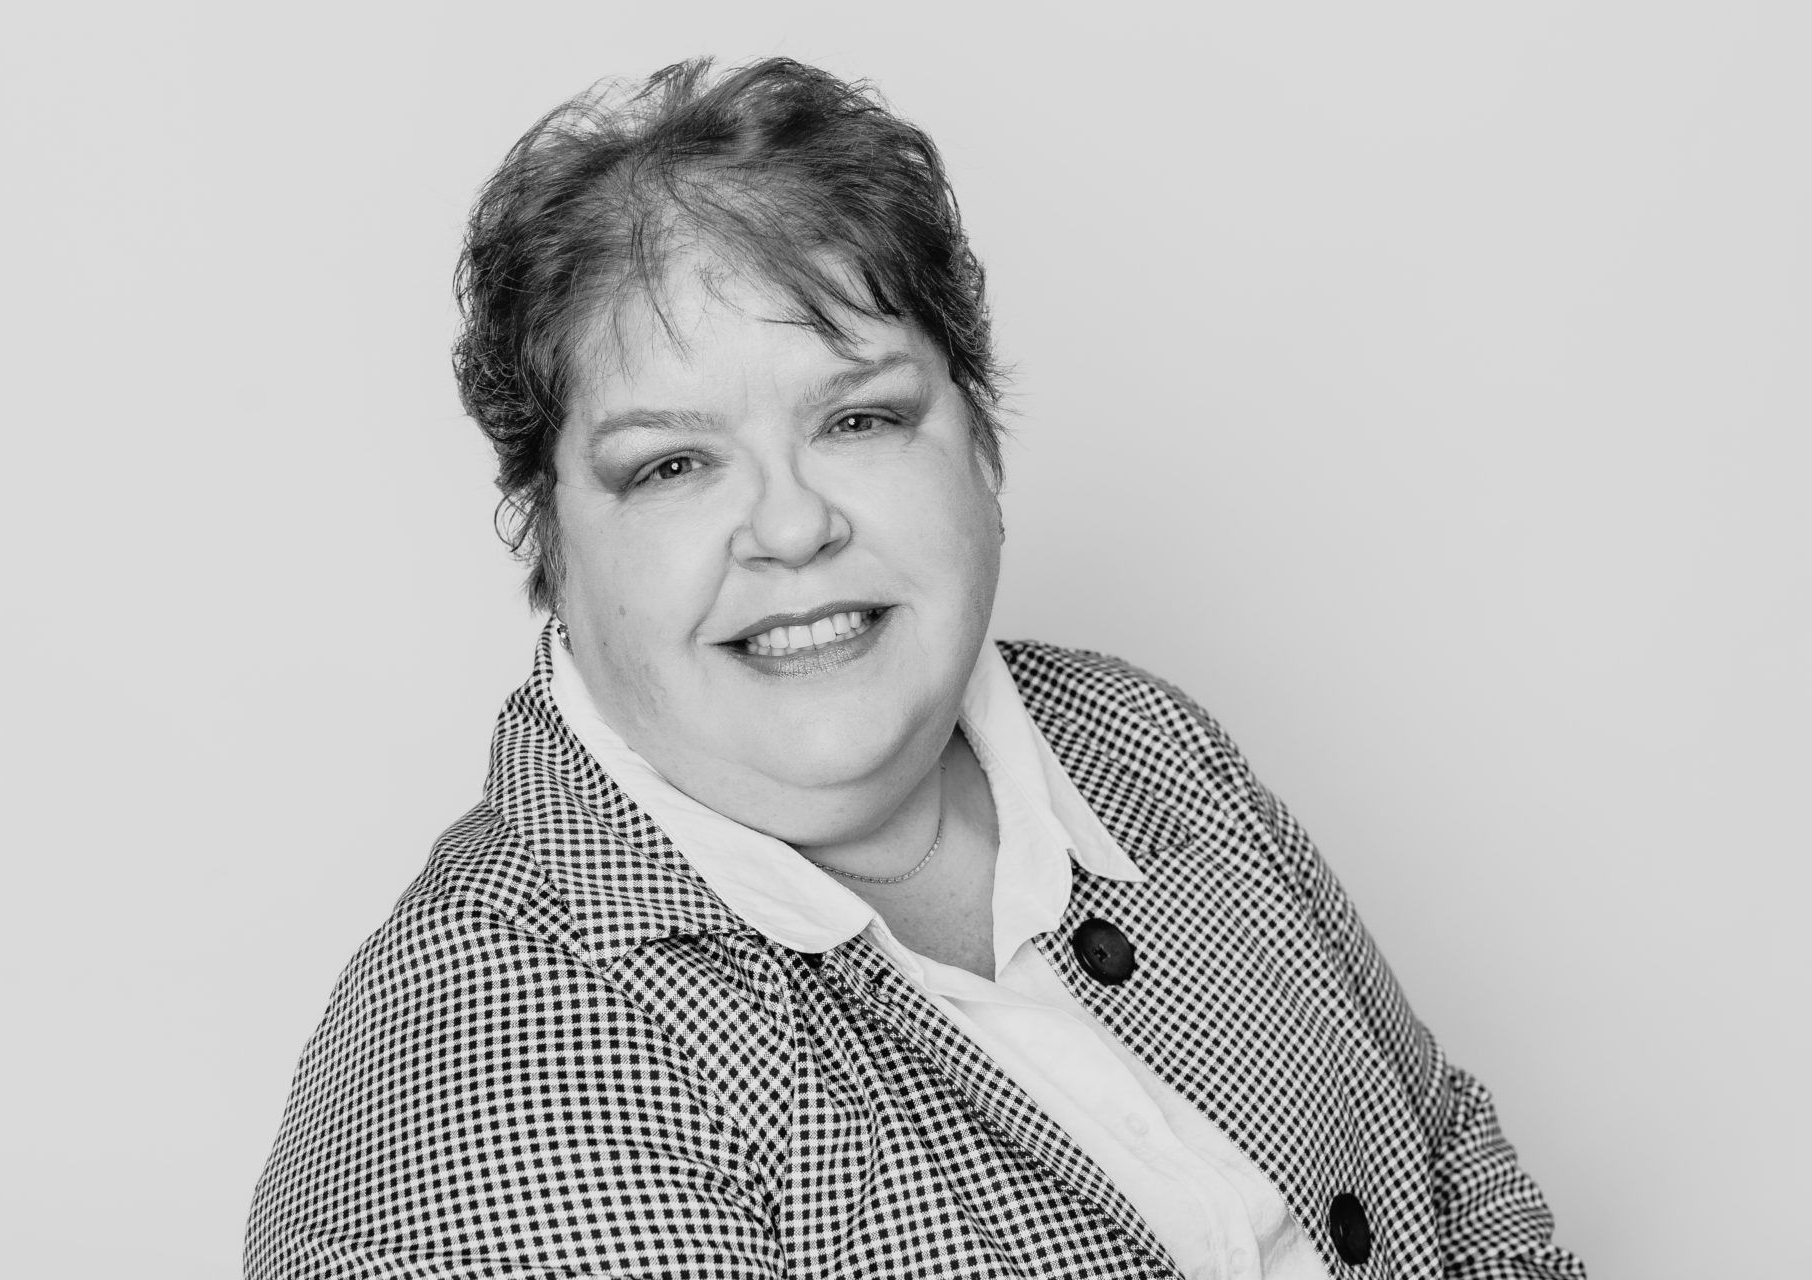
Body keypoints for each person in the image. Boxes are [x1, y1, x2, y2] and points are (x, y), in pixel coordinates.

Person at [245, 57, 1584, 1279]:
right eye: (670, 464)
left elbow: (1450, 1161)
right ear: (548, 539)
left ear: (980, 447)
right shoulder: (483, 1072)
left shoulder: (1141, 743)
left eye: (860, 417)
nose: (790, 525)